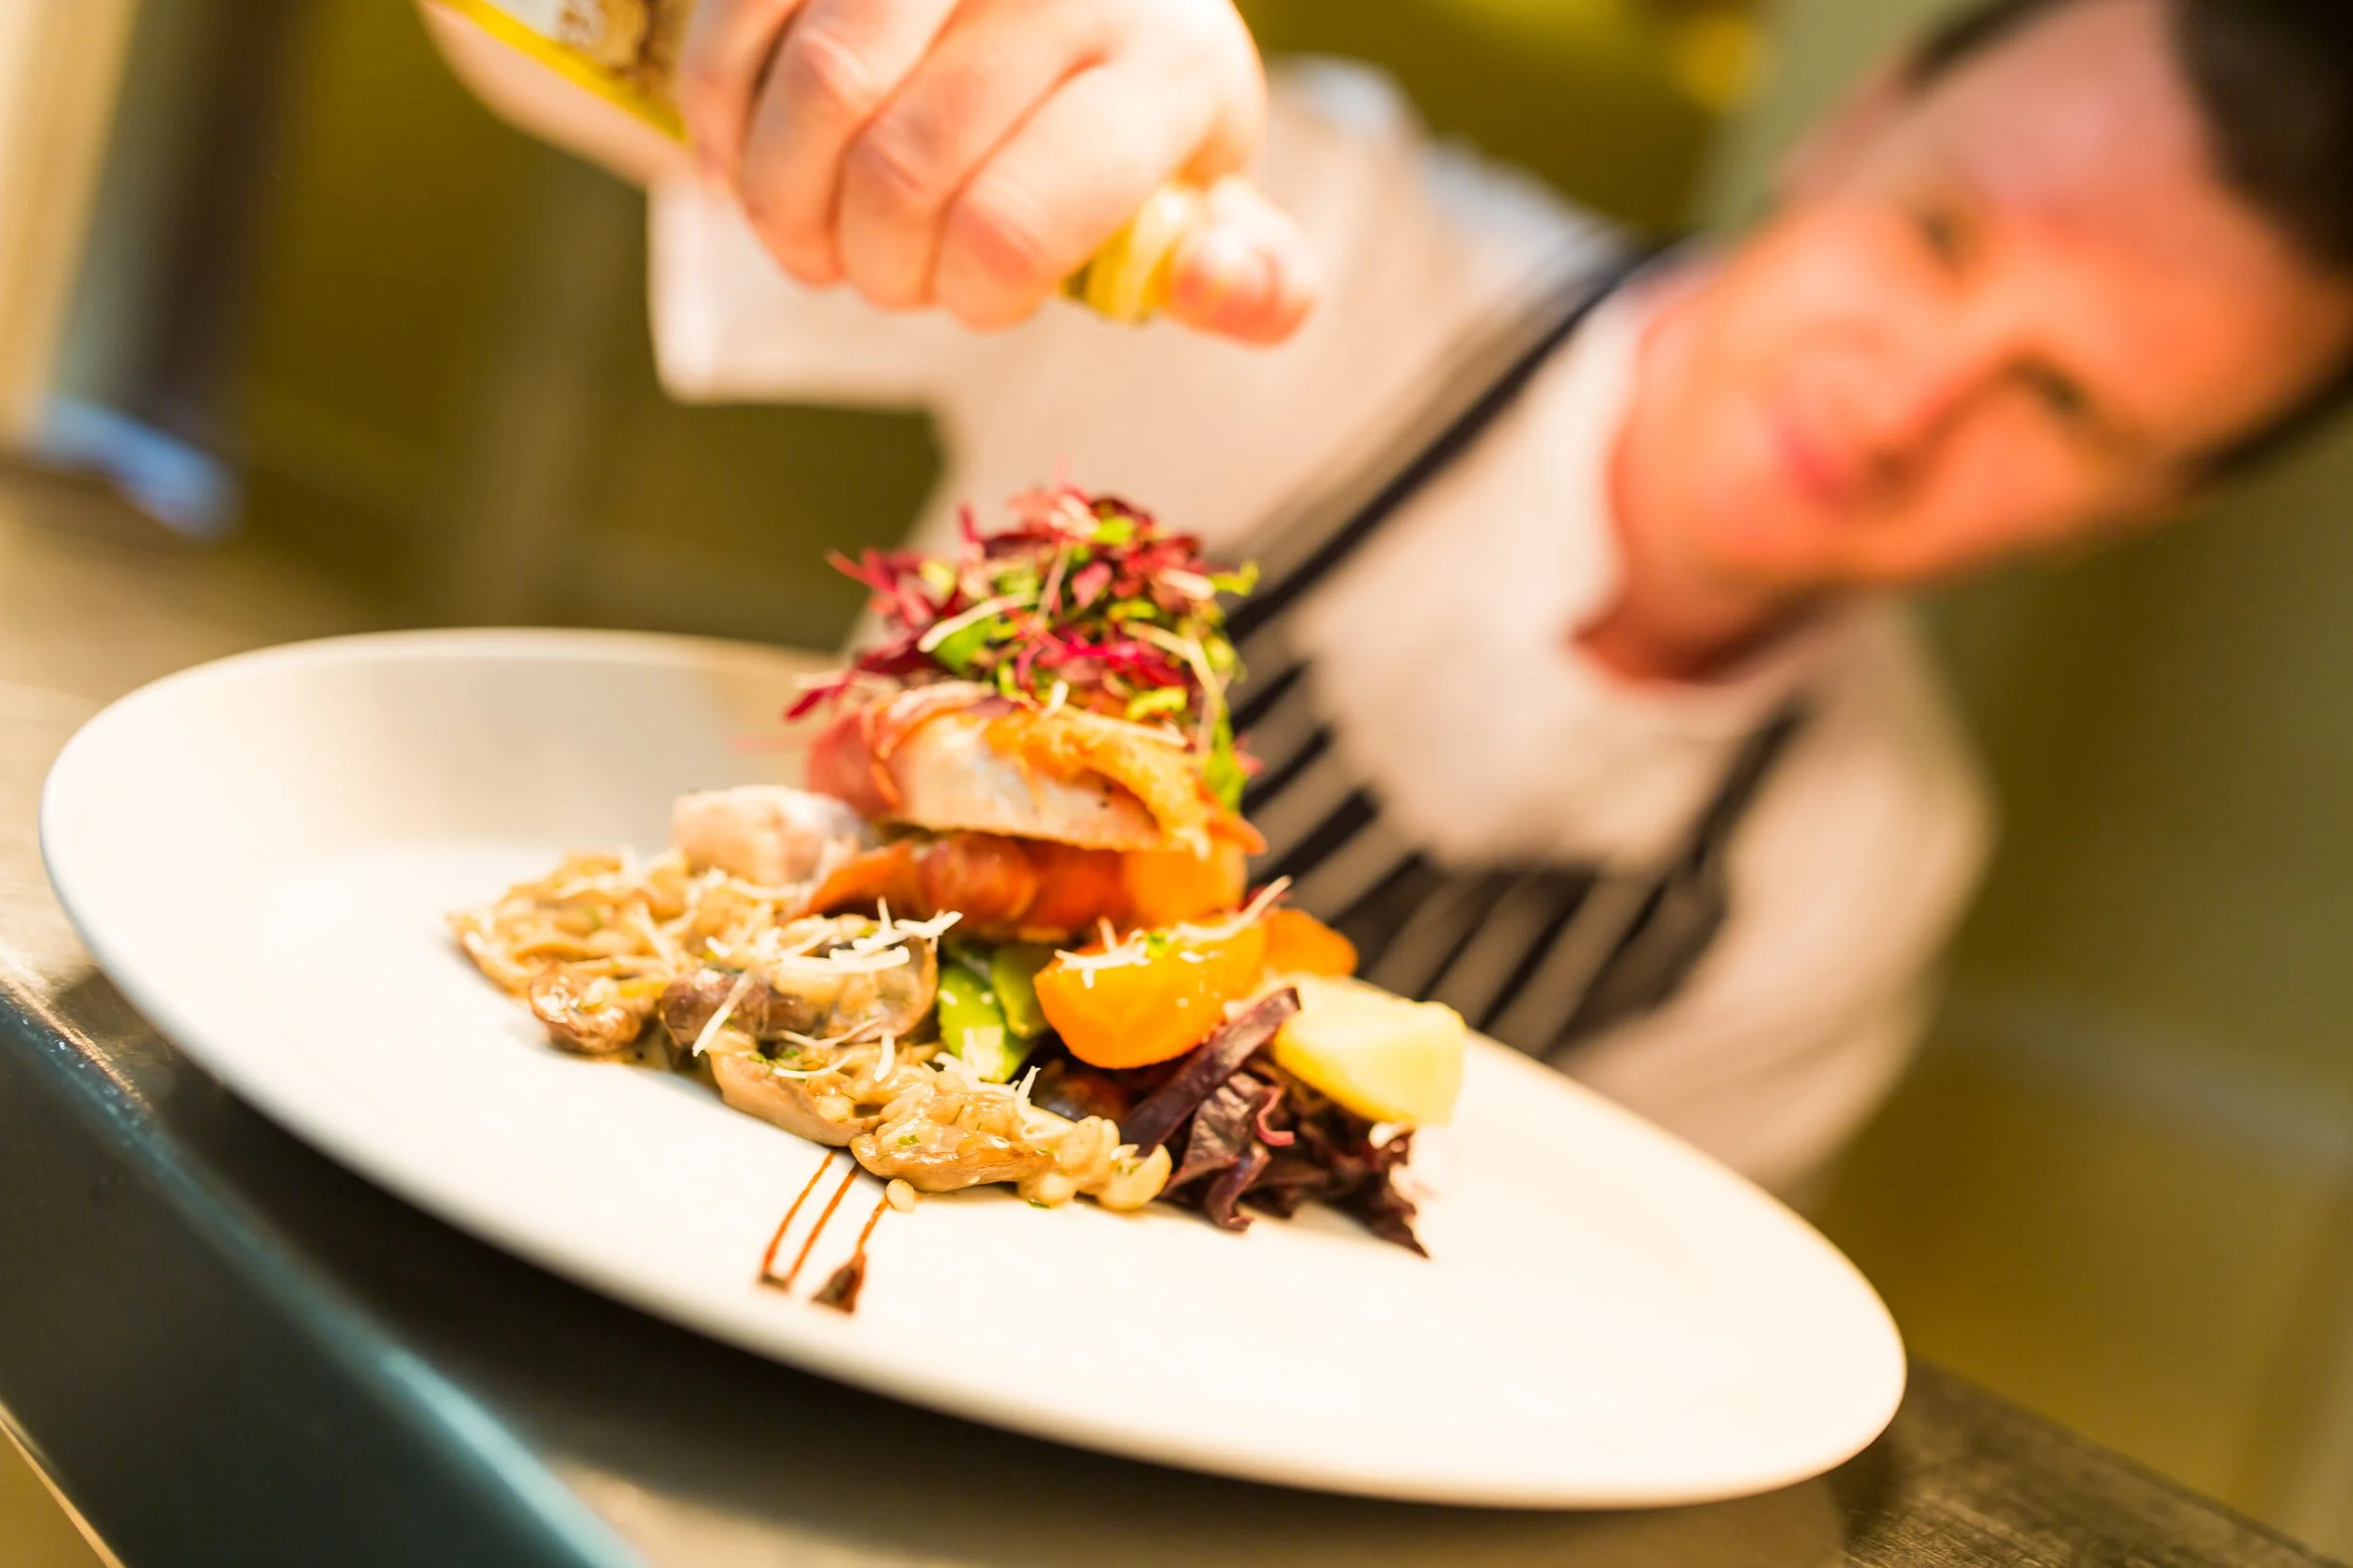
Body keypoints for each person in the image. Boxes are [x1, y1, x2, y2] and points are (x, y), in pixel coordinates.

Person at [428, 0, 2353, 1200]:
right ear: (1844, 128)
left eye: (2068, 404)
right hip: (694, 1154)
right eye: (1937, 239)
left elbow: (1589, 1329)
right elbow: (527, 44)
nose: (1900, 405)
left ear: (2139, 505)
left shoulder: (1861, 858)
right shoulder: (1308, 237)